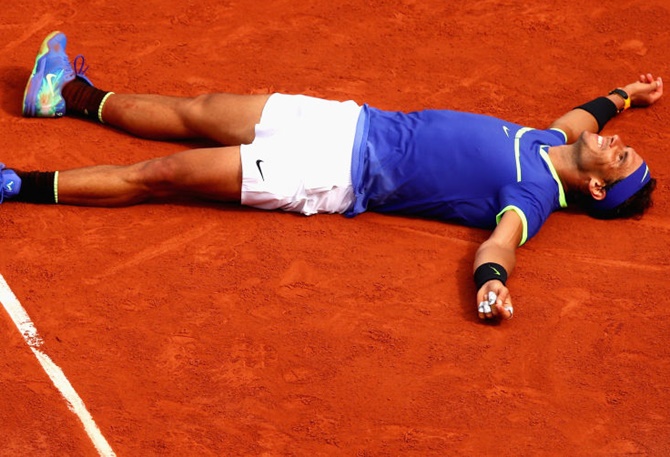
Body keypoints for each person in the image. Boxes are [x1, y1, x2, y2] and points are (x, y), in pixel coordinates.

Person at [2, 31, 664, 322]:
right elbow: (584, 114)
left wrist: (492, 285)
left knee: (165, 173)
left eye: (621, 156)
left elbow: (499, 244)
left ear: (598, 188)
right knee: (197, 109)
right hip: (343, 121)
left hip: (326, 172)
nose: (614, 143)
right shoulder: (555, 140)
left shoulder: (532, 197)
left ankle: (18, 184)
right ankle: (68, 94)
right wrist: (626, 95)